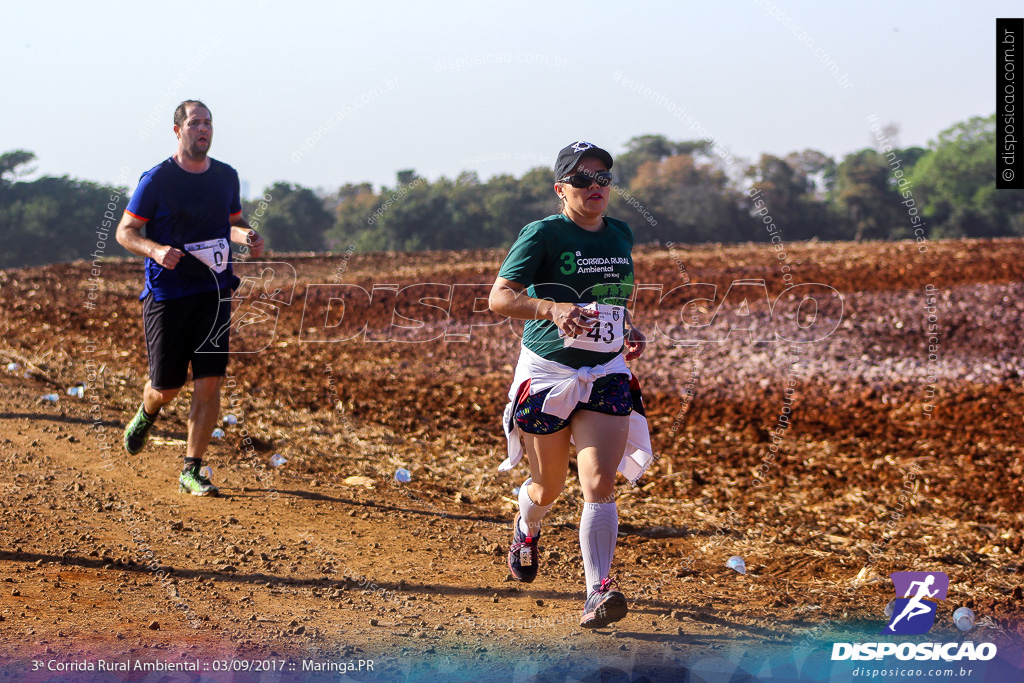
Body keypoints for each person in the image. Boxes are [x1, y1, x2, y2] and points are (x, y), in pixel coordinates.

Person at [489, 141, 653, 629]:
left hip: (605, 372)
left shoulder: (620, 233)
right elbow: (500, 298)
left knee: (600, 484)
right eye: (583, 179)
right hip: (548, 375)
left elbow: (615, 296)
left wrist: (626, 327)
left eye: (603, 177)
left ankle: (597, 591)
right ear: (561, 189)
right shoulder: (542, 234)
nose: (596, 187)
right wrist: (551, 308)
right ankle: (526, 526)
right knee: (548, 486)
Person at [115, 99, 264, 496]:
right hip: (168, 293)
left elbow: (231, 223)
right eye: (196, 123)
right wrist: (156, 251)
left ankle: (191, 469)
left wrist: (246, 236)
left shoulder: (226, 177)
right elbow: (126, 232)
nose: (204, 129)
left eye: (209, 123)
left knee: (210, 383)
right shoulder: (157, 179)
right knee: (166, 387)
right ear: (178, 130)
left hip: (214, 291)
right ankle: (147, 412)